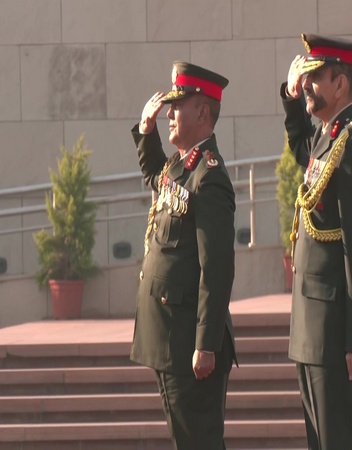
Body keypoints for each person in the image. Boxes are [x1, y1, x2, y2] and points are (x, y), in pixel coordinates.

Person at [280, 33, 352, 450]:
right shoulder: (326, 137)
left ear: (340, 83)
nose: (308, 85)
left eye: (315, 77)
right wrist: (291, 99)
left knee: (338, 440)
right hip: (310, 326)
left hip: (335, 332)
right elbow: (300, 147)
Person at [129, 61, 237, 450]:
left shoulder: (209, 178)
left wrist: (206, 344)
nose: (169, 113)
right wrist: (147, 133)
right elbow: (159, 182)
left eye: (178, 106)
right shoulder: (181, 167)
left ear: (203, 112)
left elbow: (217, 268)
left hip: (189, 346)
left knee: (200, 442)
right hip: (169, 340)